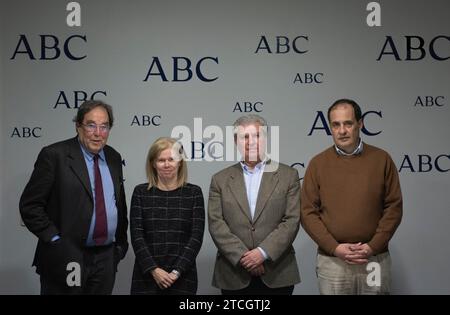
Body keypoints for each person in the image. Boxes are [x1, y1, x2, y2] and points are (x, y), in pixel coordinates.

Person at [19, 100, 128, 294]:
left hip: (106, 257)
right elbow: (30, 206)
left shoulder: (113, 157)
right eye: (91, 125)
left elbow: (118, 203)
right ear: (78, 126)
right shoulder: (55, 156)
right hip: (68, 256)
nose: (98, 133)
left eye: (104, 126)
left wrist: (119, 247)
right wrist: (56, 241)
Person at [301, 98, 403, 295]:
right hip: (333, 261)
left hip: (374, 260)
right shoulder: (317, 164)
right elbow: (308, 212)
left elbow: (393, 207)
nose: (342, 131)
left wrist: (372, 247)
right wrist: (334, 248)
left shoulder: (382, 159)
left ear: (360, 124)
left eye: (348, 123)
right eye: (336, 124)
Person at [208, 114, 301, 295]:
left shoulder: (288, 175)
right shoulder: (220, 180)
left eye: (257, 135)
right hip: (234, 274)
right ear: (236, 141)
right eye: (245, 136)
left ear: (266, 139)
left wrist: (262, 253)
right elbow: (216, 223)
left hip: (277, 273)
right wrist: (244, 257)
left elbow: (291, 220)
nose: (252, 142)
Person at [130, 137, 205, 295]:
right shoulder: (141, 193)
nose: (166, 164)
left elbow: (196, 237)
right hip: (146, 277)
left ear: (180, 162)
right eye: (161, 160)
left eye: (171, 159)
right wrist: (154, 270)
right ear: (153, 163)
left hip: (183, 277)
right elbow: (137, 236)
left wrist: (176, 272)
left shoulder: (193, 193)